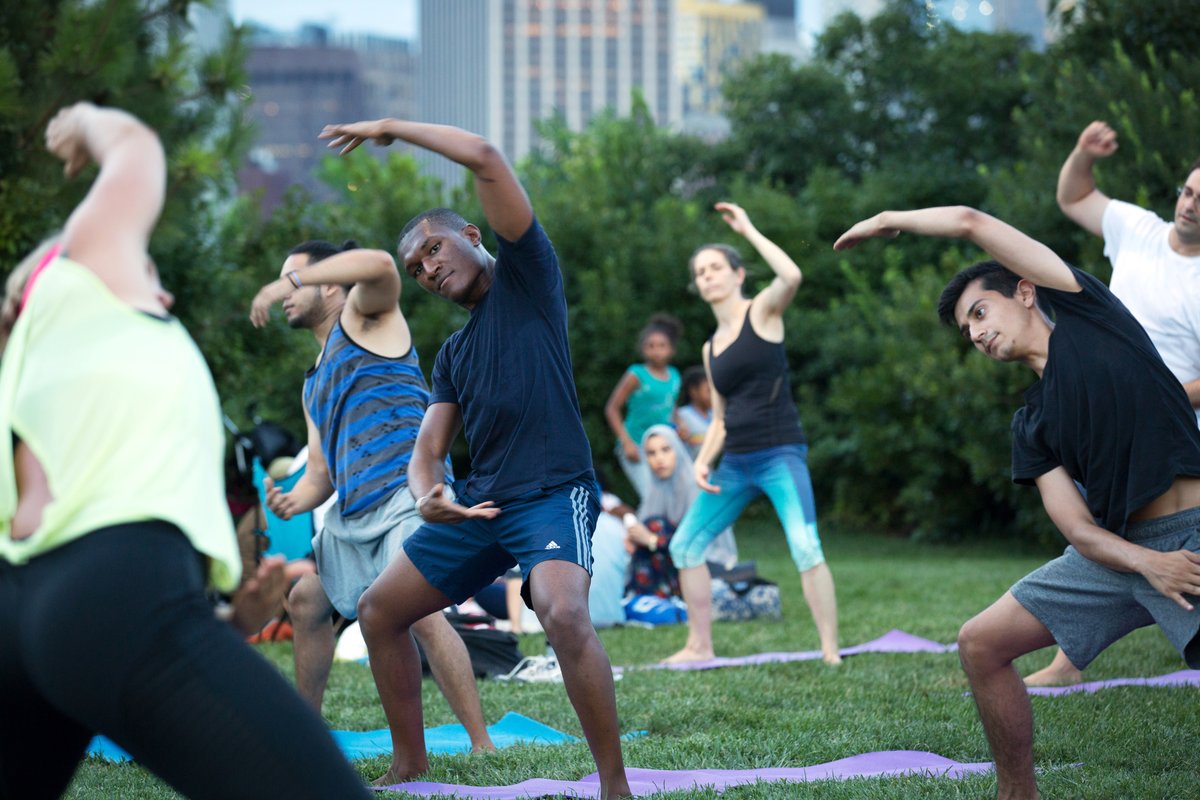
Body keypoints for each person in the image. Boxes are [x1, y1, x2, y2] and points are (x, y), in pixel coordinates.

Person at [0, 103, 370, 799]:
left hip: (25, 617)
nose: (158, 288)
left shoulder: (36, 384)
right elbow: (137, 149)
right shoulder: (78, 279)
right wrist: (84, 121)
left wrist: (228, 620)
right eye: (144, 267)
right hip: (110, 594)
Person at [834, 205, 1200, 800]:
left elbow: (971, 221)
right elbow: (1078, 530)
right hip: (1119, 554)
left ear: (1026, 292)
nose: (976, 332)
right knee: (980, 643)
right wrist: (1144, 564)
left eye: (980, 311)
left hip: (1192, 536)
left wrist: (886, 219)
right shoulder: (1030, 425)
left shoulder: (1091, 316)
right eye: (966, 329)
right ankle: (1016, 793)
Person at [317, 116, 631, 797]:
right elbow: (428, 447)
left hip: (553, 491)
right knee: (377, 610)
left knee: (562, 608)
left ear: (471, 235)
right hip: (480, 506)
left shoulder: (529, 281)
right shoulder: (455, 353)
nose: (428, 269)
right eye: (416, 267)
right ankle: (410, 763)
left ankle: (614, 783)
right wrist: (429, 491)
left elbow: (487, 156)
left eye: (433, 249)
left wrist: (390, 128)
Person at [248, 239, 494, 752]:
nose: (288, 292)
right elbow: (321, 472)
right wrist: (296, 500)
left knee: (417, 609)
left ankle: (480, 741)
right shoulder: (312, 382)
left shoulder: (367, 321)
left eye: (299, 279)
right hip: (353, 514)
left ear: (331, 283)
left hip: (408, 495)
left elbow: (381, 264)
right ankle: (304, 738)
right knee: (305, 599)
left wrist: (284, 282)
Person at [1023, 121, 1200, 686]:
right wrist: (1081, 153)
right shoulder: (1138, 229)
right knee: (1093, 531)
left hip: (1177, 430)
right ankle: (1067, 662)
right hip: (1105, 423)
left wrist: (1150, 395)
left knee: (1140, 543)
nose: (1192, 205)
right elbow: (1073, 195)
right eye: (1189, 191)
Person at [663, 202, 840, 665]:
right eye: (700, 272)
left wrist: (748, 228)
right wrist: (702, 461)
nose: (708, 277)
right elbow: (719, 418)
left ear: (738, 274)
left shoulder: (762, 312)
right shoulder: (710, 347)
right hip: (736, 461)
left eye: (716, 267)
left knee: (805, 546)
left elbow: (793, 276)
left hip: (780, 453)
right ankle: (699, 645)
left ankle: (830, 651)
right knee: (685, 546)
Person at [623, 425, 737, 598]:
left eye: (666, 450)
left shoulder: (695, 485)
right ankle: (646, 597)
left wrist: (652, 540)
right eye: (651, 453)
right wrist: (634, 538)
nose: (659, 459)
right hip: (676, 562)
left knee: (656, 526)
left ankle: (648, 596)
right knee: (650, 527)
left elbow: (698, 544)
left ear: (677, 449)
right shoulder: (655, 489)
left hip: (710, 563)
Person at [604, 314, 683, 499]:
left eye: (662, 346)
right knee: (651, 496)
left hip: (661, 448)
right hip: (636, 445)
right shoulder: (636, 374)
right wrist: (626, 442)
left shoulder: (674, 375)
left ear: (672, 349)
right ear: (643, 349)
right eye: (651, 346)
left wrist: (680, 424)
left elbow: (672, 407)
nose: (656, 351)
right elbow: (612, 408)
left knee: (668, 495)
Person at [674, 365, 713, 459]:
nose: (714, 395)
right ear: (693, 391)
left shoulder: (715, 414)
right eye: (709, 391)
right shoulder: (681, 416)